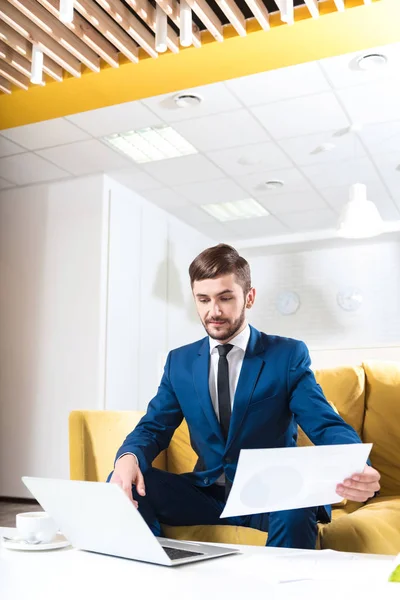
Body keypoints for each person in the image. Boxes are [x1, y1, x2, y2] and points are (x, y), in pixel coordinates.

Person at [108, 244, 380, 549]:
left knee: (297, 506)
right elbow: (153, 427)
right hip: (206, 494)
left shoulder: (286, 356)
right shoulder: (179, 363)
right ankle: (151, 578)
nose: (214, 311)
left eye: (225, 298)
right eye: (203, 300)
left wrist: (355, 463)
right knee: (122, 479)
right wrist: (128, 458)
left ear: (249, 297)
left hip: (270, 494)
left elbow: (324, 423)